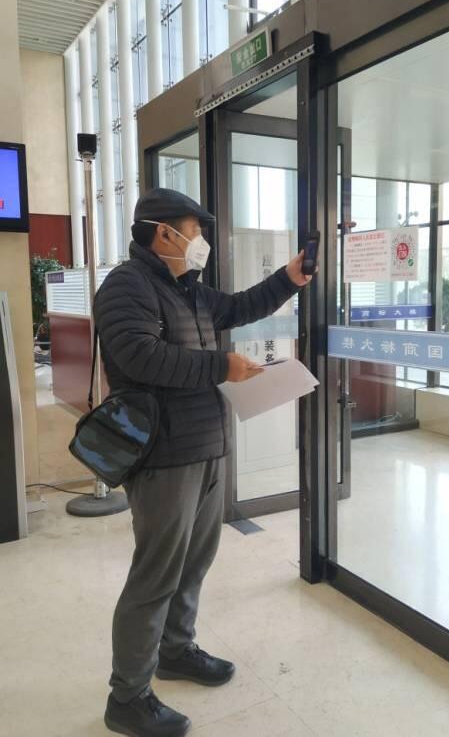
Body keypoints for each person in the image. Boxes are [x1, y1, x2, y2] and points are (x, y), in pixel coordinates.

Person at [95, 188, 311, 737]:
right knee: (156, 575)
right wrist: (221, 367)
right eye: (195, 230)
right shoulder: (126, 286)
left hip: (207, 446)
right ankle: (128, 697)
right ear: (163, 232)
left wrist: (290, 278)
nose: (201, 241)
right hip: (163, 455)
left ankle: (176, 650)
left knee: (193, 563)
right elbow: (141, 356)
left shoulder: (187, 288)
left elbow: (238, 307)